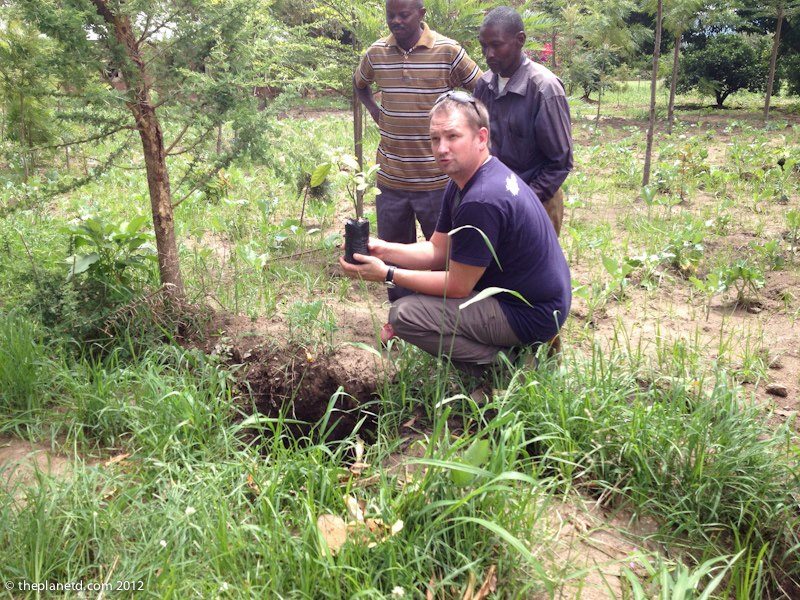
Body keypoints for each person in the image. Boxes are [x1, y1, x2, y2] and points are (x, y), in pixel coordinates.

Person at [340, 93, 571, 375]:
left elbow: (458, 286)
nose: (441, 148)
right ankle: (509, 355)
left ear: (481, 138)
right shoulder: (467, 178)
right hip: (529, 298)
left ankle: (507, 366)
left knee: (404, 315)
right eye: (435, 139)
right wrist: (383, 249)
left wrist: (388, 274)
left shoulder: (481, 199)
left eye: (452, 136)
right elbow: (438, 250)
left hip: (530, 312)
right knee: (415, 301)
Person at [354, 0, 482, 301]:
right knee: (394, 254)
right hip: (392, 179)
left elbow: (481, 88)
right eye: (390, 16)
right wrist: (375, 110)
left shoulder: (448, 51)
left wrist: (462, 128)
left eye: (404, 15)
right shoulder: (376, 53)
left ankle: (447, 318)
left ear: (421, 14)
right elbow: (359, 83)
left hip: (439, 182)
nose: (396, 21)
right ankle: (401, 318)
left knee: (447, 254)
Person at [473, 6, 573, 236]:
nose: (489, 54)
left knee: (532, 268)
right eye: (484, 46)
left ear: (520, 40)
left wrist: (523, 199)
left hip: (538, 202)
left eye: (496, 45)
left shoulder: (544, 89)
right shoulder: (484, 85)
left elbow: (560, 162)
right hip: (493, 200)